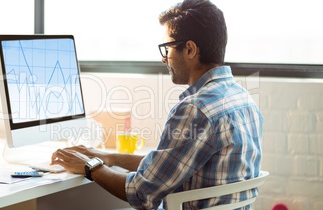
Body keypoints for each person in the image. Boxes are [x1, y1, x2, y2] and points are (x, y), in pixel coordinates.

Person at [51, 0, 263, 209]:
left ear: (189, 49)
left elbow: (141, 193)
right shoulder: (243, 99)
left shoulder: (196, 109)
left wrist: (90, 167)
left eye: (167, 48)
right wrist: (109, 157)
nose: (164, 59)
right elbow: (168, 165)